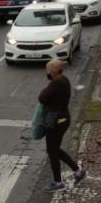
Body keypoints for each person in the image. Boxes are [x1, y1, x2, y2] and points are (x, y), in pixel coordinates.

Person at [37, 60, 86, 191]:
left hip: (56, 121)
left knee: (52, 151)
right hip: (63, 118)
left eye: (47, 71)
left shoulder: (56, 83)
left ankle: (58, 182)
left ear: (52, 72)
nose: (46, 73)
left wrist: (45, 90)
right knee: (55, 149)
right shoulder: (64, 79)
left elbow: (42, 98)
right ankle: (77, 171)